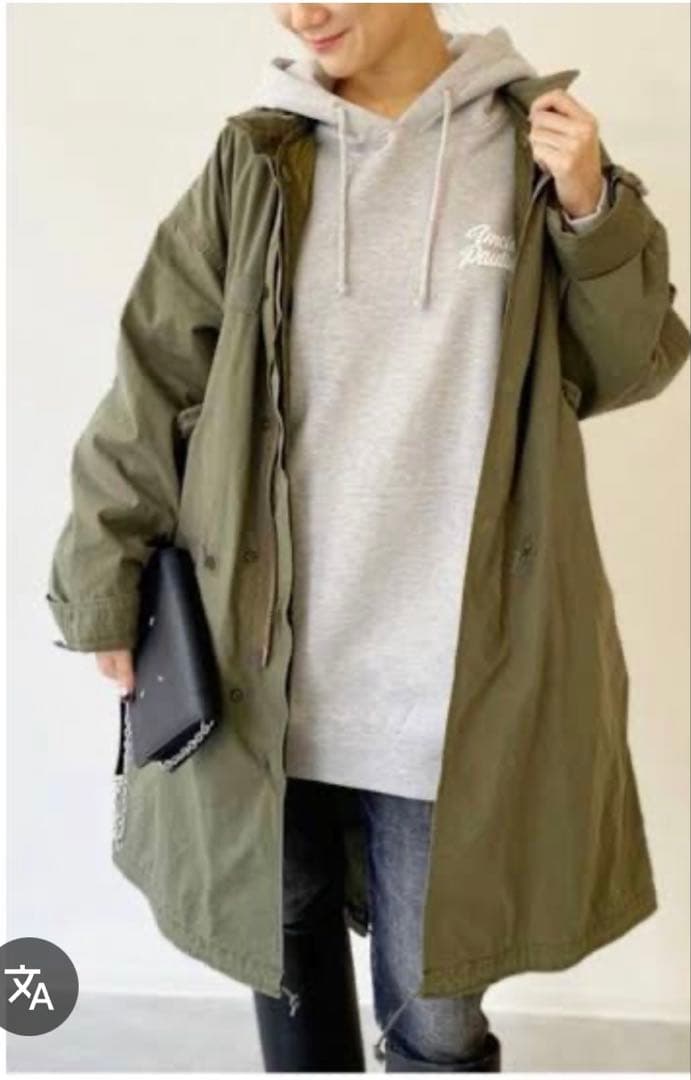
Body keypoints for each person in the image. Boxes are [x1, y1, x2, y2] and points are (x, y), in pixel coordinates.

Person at [46, 3, 690, 1073]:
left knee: (435, 1019)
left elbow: (622, 366)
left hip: (451, 687)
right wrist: (102, 581)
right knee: (283, 960)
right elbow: (154, 380)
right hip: (263, 671)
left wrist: (592, 211)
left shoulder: (533, 149)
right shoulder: (257, 158)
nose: (302, 11)